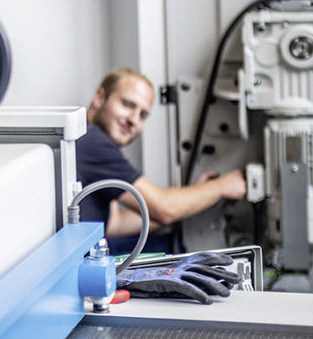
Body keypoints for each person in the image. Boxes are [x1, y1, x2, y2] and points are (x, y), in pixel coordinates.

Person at [75, 68, 246, 253]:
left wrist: (196, 196)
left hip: (87, 253)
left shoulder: (91, 139)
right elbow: (164, 209)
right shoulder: (92, 141)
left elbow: (115, 224)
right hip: (79, 262)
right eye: (127, 104)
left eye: (142, 115)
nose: (134, 120)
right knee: (176, 251)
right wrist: (222, 187)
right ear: (100, 97)